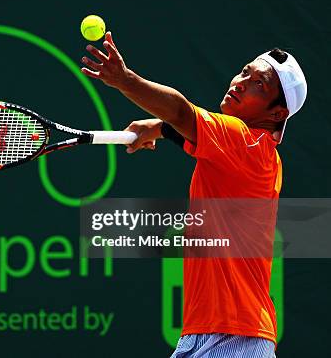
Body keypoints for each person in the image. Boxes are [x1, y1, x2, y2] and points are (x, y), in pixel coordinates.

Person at [81, 32, 307, 358]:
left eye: (260, 84)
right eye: (245, 71)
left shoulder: (247, 145)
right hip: (212, 336)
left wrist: (125, 80)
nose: (241, 82)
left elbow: (180, 112)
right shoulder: (242, 149)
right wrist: (157, 127)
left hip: (234, 339)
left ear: (276, 114)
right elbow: (184, 125)